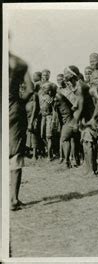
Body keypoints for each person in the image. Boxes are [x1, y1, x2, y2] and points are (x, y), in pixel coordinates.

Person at [9, 52, 34, 211]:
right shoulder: (18, 63)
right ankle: (13, 199)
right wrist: (19, 102)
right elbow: (30, 88)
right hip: (13, 108)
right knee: (15, 153)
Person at [39, 82, 57, 161]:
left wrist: (53, 120)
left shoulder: (51, 98)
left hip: (49, 117)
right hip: (43, 117)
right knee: (42, 135)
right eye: (43, 88)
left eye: (45, 88)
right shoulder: (40, 96)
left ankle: (49, 156)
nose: (43, 89)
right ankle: (51, 150)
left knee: (49, 136)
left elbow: (54, 110)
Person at [24, 83, 40, 160]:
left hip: (32, 118)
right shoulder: (27, 94)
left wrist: (31, 122)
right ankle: (28, 152)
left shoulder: (34, 95)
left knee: (34, 135)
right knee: (28, 135)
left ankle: (35, 155)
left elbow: (34, 108)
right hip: (27, 117)